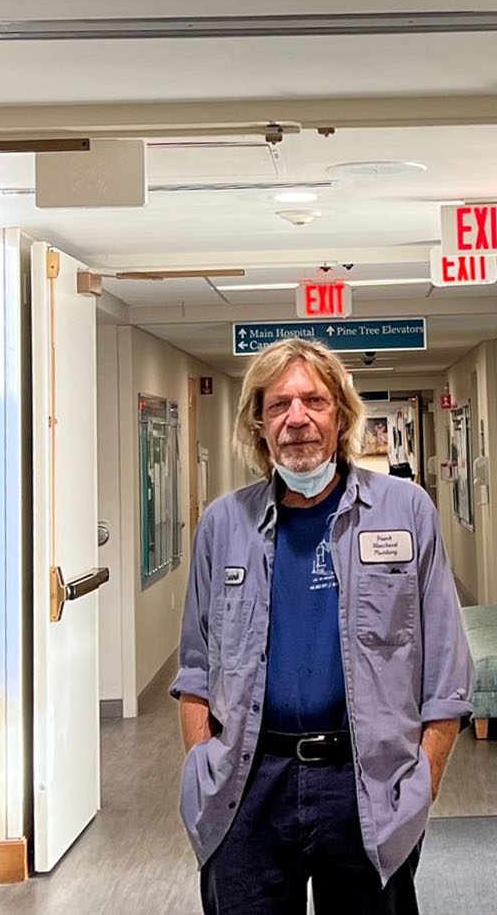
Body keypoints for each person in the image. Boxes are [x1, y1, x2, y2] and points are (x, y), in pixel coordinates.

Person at [170, 337, 473, 915]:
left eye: (313, 401)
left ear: (342, 414)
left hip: (368, 787)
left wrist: (422, 785)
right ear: (258, 423)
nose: (297, 419)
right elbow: (195, 670)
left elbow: (447, 671)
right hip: (245, 787)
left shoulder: (405, 511)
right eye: (279, 404)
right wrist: (200, 771)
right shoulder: (223, 525)